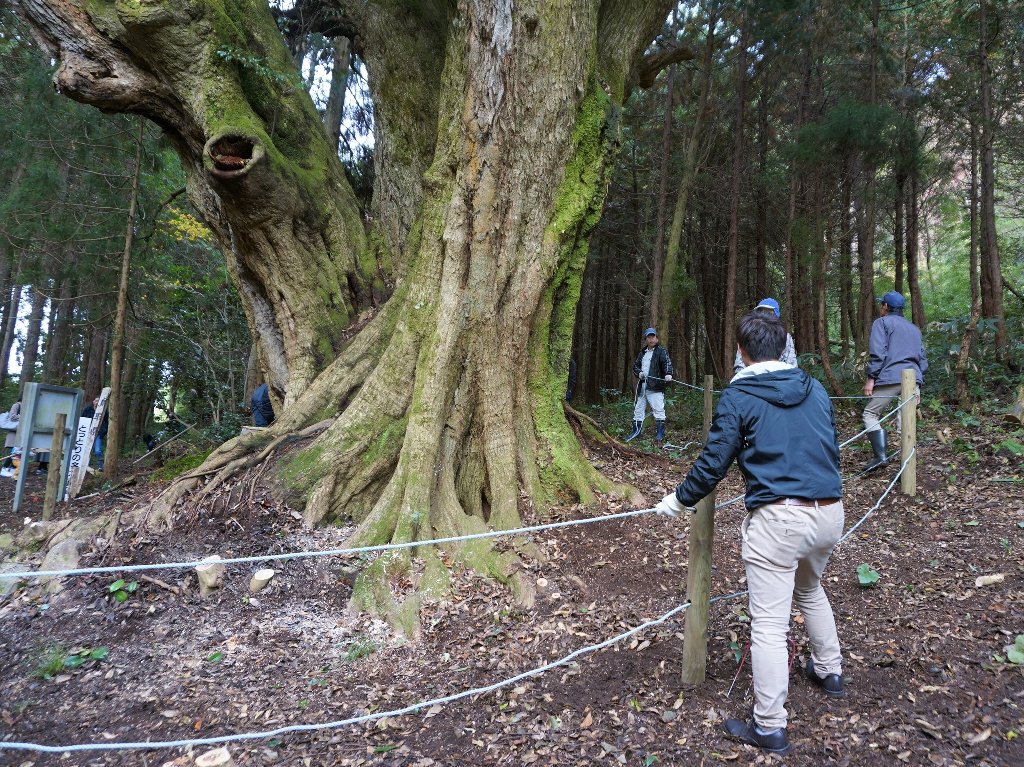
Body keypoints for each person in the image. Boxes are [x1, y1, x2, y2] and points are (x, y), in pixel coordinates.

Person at [656, 312, 844, 756]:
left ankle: (769, 725)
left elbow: (715, 459)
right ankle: (830, 671)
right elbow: (829, 442)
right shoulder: (813, 388)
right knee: (811, 589)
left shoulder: (739, 394)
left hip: (778, 519)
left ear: (741, 352)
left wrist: (678, 500)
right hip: (830, 510)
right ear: (783, 348)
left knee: (769, 625)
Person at [863, 291, 927, 471]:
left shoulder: (881, 323)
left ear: (885, 306)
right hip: (912, 379)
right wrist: (917, 383)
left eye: (881, 304)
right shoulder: (914, 328)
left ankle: (881, 456)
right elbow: (922, 359)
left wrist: (871, 378)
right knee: (905, 425)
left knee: (870, 414)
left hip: (891, 378)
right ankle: (906, 469)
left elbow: (878, 352)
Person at [628, 328, 673, 443]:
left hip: (656, 387)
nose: (651, 339)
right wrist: (639, 373)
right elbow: (635, 367)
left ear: (656, 338)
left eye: (653, 337)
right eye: (649, 337)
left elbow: (667, 363)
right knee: (638, 410)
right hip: (642, 386)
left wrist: (668, 374)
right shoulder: (642, 353)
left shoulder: (661, 351)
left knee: (658, 410)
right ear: (646, 339)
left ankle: (660, 434)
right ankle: (636, 432)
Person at [734, 298, 797, 372]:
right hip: (751, 379)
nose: (764, 315)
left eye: (769, 312)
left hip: (779, 378)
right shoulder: (748, 334)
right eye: (761, 311)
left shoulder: (785, 337)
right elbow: (740, 364)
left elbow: (792, 364)